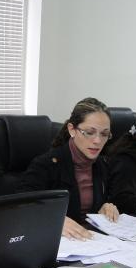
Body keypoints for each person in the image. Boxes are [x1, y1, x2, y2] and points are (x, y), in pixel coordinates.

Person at [18, 98, 119, 240]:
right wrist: (55, 219)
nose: (97, 141)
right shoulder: (46, 165)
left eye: (104, 134)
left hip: (92, 240)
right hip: (57, 242)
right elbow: (22, 207)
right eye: (90, 132)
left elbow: (109, 199)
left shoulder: (103, 164)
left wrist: (106, 207)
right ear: (72, 130)